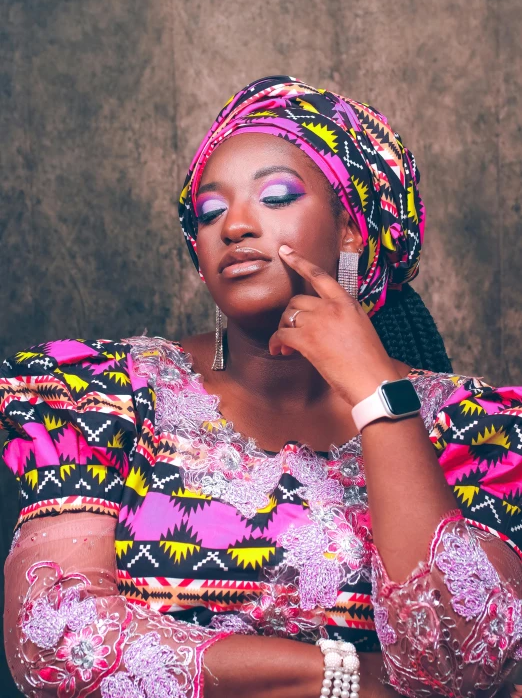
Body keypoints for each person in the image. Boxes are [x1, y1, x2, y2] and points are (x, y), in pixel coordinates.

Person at [1, 75, 521, 698]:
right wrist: (348, 678)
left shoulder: (476, 429)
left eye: (275, 197)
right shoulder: (103, 396)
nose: (236, 225)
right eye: (210, 211)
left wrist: (379, 394)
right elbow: (57, 642)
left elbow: (461, 667)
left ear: (351, 229)